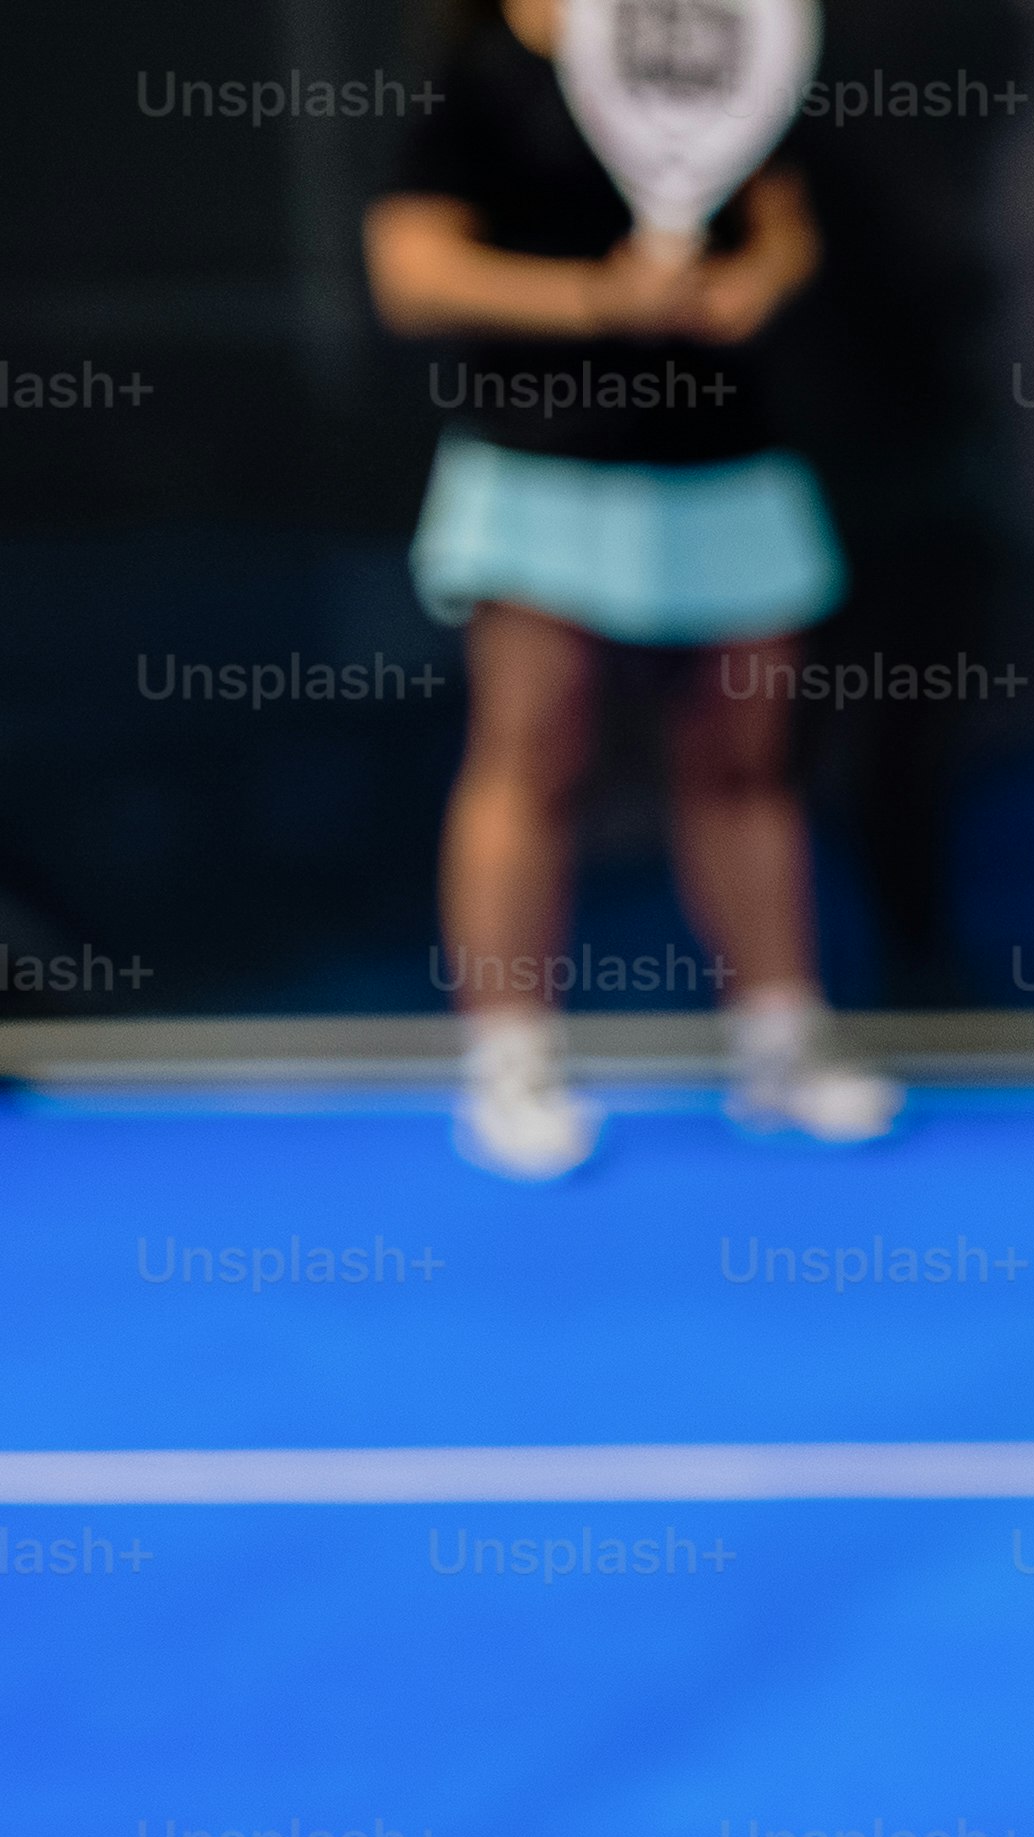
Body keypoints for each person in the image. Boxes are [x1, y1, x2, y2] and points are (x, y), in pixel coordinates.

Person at [369, 0, 907, 1180]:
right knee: (531, 754)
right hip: (540, 456)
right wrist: (597, 300)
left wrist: (754, 281)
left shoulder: (724, 33)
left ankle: (779, 1039)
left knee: (745, 762)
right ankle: (509, 1060)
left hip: (724, 459)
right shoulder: (487, 71)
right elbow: (409, 270)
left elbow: (783, 225)